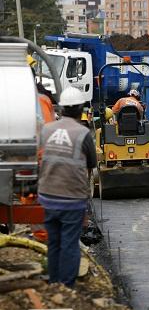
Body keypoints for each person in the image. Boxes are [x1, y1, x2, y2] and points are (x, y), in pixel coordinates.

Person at [37, 88, 97, 288]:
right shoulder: (83, 133)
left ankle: (54, 282)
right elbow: (91, 164)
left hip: (47, 195)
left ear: (61, 108)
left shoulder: (47, 129)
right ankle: (67, 286)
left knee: (54, 242)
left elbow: (41, 156)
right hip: (71, 199)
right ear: (80, 109)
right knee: (70, 243)